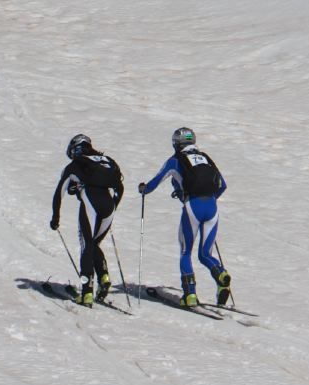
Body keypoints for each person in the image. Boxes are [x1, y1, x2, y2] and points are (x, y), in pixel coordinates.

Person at [138, 127, 231, 308]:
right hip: (212, 206)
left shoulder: (176, 160)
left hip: (192, 207)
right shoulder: (206, 158)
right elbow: (222, 185)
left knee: (185, 252)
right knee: (205, 254)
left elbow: (154, 183)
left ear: (176, 144)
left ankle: (190, 294)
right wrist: (209, 200)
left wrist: (143, 189)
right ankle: (221, 274)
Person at [51, 135, 124, 306]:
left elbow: (59, 192)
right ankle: (103, 275)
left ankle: (86, 293)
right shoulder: (106, 160)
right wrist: (113, 206)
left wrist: (56, 217)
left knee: (86, 245)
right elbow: (119, 187)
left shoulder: (75, 165)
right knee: (94, 244)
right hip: (108, 206)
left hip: (91, 202)